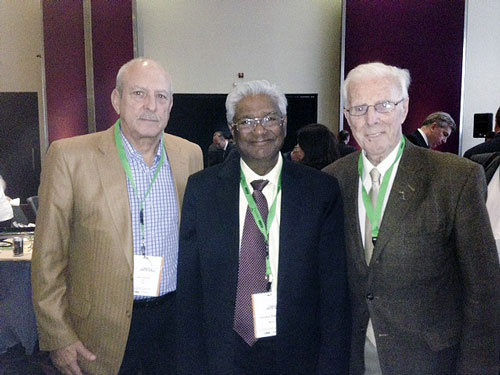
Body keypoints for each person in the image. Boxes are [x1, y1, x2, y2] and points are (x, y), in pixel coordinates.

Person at [323, 62, 500, 375]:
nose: (371, 118)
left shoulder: (455, 179)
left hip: (429, 360)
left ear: (404, 109)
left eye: (384, 105)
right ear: (348, 116)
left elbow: (484, 292)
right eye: (360, 108)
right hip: (352, 359)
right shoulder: (331, 181)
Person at [31, 58, 203, 375]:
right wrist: (58, 336)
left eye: (161, 96)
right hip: (98, 327)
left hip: (172, 321)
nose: (151, 105)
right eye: (139, 93)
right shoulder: (70, 156)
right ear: (116, 100)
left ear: (171, 105)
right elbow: (48, 257)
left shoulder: (190, 154)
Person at [177, 80, 349, 374]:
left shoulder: (320, 191)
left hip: (297, 354)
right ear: (232, 128)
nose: (260, 131)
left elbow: (333, 293)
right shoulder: (202, 190)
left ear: (284, 124)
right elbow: (190, 290)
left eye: (270, 119)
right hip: (223, 353)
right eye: (247, 121)